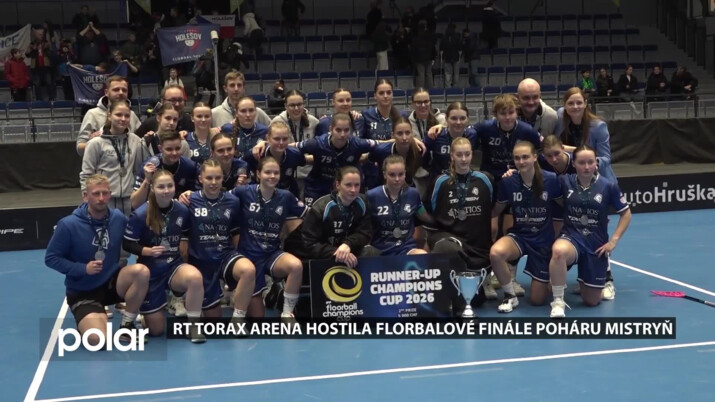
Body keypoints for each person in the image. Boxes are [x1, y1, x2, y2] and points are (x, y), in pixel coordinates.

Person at [45, 174, 149, 347]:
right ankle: (91, 319)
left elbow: (135, 238)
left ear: (110, 194)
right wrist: (82, 268)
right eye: (96, 194)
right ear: (85, 196)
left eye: (105, 193)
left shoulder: (117, 218)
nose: (101, 198)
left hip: (111, 283)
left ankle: (127, 325)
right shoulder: (68, 224)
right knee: (97, 340)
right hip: (83, 292)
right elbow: (51, 258)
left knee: (141, 272)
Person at [548, 145, 631, 318]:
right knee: (558, 251)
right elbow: (537, 176)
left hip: (596, 244)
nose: (586, 167)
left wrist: (613, 241)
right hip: (571, 238)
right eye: (581, 163)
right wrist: (512, 172)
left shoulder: (608, 186)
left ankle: (591, 281)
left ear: (596, 164)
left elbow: (626, 214)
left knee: (591, 301)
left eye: (590, 162)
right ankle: (558, 302)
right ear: (574, 164)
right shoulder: (564, 181)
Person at [123, 171, 205, 342]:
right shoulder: (140, 214)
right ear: (152, 188)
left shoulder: (182, 210)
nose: (166, 190)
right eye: (161, 187)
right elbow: (127, 243)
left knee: (195, 278)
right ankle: (143, 315)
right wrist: (147, 251)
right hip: (150, 272)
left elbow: (186, 232)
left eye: (170, 186)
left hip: (173, 266)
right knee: (156, 331)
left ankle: (193, 326)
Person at [423, 137, 494, 314]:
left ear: (472, 155)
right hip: (449, 239)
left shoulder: (485, 180)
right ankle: (445, 302)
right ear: (452, 156)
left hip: (477, 249)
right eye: (459, 155)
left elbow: (494, 209)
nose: (463, 159)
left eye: (467, 154)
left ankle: (462, 295)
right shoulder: (440, 182)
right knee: (448, 248)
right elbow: (428, 213)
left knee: (476, 300)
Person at [230, 157, 307, 319]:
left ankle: (287, 313)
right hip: (249, 257)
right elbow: (217, 199)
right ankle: (244, 294)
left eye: (276, 173)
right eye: (267, 172)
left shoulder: (286, 196)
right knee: (257, 317)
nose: (272, 176)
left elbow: (311, 213)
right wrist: (189, 195)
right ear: (258, 174)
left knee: (295, 266)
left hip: (272, 253)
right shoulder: (243, 192)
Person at [490, 141, 562, 313]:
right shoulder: (508, 182)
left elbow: (564, 205)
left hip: (543, 241)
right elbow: (496, 210)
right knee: (496, 253)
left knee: (537, 300)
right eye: (517, 158)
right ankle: (510, 296)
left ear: (535, 157)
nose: (521, 162)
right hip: (520, 236)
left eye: (525, 157)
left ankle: (550, 279)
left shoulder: (551, 179)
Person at [183, 159, 256, 321]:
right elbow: (183, 237)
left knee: (248, 270)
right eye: (209, 178)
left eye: (218, 177)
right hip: (201, 261)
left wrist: (240, 256)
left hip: (225, 256)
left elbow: (235, 231)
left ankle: (237, 320)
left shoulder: (232, 201)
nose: (214, 182)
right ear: (200, 178)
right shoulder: (189, 200)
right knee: (214, 322)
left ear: (223, 178)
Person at [284, 166, 380, 267]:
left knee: (372, 252)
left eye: (357, 185)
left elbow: (365, 232)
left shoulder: (363, 202)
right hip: (306, 252)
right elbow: (309, 243)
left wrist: (348, 244)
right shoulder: (321, 208)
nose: (353, 190)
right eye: (348, 185)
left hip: (342, 247)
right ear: (338, 185)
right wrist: (336, 252)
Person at [80, 100, 149, 218]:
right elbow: (86, 174)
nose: (123, 119)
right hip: (104, 200)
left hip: (130, 200)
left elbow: (139, 171)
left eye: (127, 116)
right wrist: (87, 199)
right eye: (118, 115)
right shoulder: (95, 143)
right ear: (109, 115)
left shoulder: (136, 140)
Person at [295, 113, 378, 206]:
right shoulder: (317, 143)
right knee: (311, 212)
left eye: (346, 130)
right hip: (317, 187)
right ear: (331, 129)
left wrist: (370, 158)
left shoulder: (357, 144)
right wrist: (303, 160)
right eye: (338, 130)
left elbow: (382, 145)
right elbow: (290, 147)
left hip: (346, 188)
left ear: (351, 130)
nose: (342, 134)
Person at [367, 155, 432, 255]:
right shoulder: (372, 196)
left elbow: (424, 216)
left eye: (400, 174)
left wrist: (442, 222)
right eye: (392, 175)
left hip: (406, 248)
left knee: (422, 255)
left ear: (405, 174)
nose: (397, 179)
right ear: (384, 175)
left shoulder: (413, 194)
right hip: (379, 250)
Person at [554, 87, 616, 183]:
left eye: (579, 103)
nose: (575, 107)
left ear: (585, 104)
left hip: (599, 179)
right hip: (570, 178)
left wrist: (590, 162)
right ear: (564, 105)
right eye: (570, 103)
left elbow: (606, 158)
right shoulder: (560, 116)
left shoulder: (599, 126)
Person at [76, 76, 142, 156]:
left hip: (128, 162)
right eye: (116, 89)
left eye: (124, 90)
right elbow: (79, 149)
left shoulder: (132, 115)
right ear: (106, 92)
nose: (121, 93)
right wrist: (93, 143)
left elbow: (141, 144)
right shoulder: (92, 114)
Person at [131, 131, 197, 209]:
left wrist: (191, 194)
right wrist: (147, 180)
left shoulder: (190, 166)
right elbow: (135, 204)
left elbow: (199, 198)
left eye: (177, 148)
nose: (174, 153)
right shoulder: (149, 167)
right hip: (153, 210)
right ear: (160, 148)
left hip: (179, 210)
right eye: (169, 149)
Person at [243, 122, 306, 197]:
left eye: (285, 139)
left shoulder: (295, 154)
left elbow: (306, 161)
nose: (281, 143)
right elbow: (241, 167)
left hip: (287, 195)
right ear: (268, 138)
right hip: (259, 196)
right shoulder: (255, 154)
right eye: (277, 139)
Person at [423, 102, 476, 182]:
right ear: (446, 119)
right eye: (454, 118)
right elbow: (423, 157)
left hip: (465, 180)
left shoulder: (472, 135)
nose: (458, 122)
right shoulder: (435, 135)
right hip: (439, 181)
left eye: (462, 118)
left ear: (467, 119)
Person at [369, 117, 423, 188]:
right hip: (383, 189)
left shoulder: (419, 150)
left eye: (407, 133)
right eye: (400, 134)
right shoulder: (381, 150)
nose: (404, 138)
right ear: (393, 135)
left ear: (412, 134)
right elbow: (366, 159)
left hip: (408, 189)